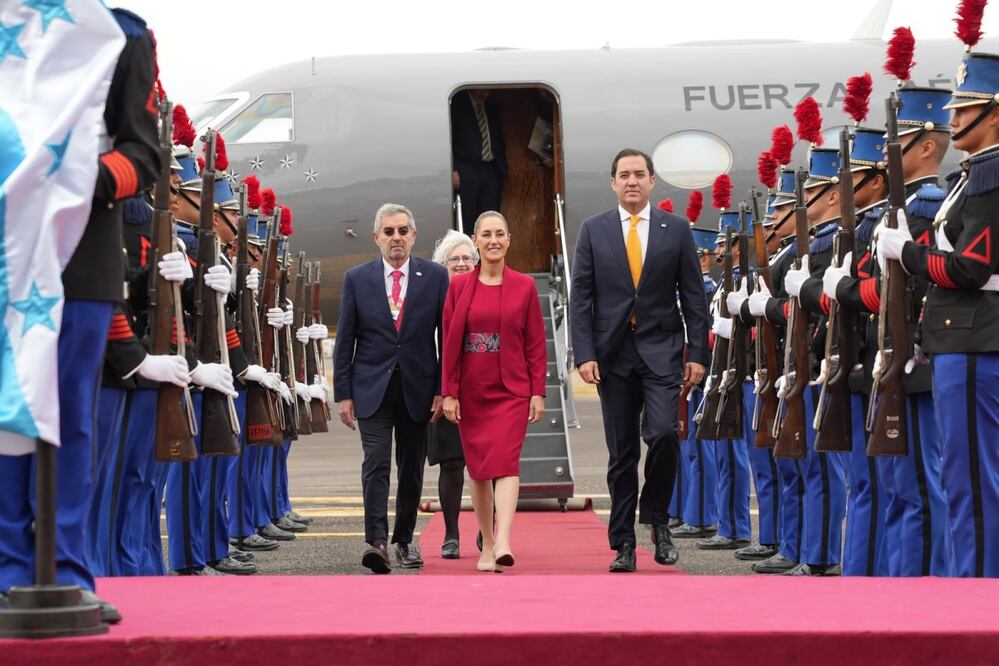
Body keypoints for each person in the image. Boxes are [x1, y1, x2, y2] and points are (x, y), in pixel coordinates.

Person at [878, 48, 999, 578]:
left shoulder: (991, 174)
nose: (954, 119)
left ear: (994, 112)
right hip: (957, 340)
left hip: (975, 339)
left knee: (972, 480)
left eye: (965, 109)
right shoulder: (972, 177)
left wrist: (906, 252)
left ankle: (978, 592)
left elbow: (972, 268)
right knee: (961, 479)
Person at [570, 149, 710, 573]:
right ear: (613, 183)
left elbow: (693, 295)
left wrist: (697, 353)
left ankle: (657, 520)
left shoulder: (676, 229)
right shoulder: (593, 230)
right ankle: (623, 543)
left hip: (662, 349)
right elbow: (582, 297)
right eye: (624, 175)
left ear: (651, 181)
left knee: (665, 433)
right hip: (613, 354)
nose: (631, 181)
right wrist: (585, 353)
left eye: (639, 174)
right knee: (623, 452)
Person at [334, 204, 449, 573]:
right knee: (376, 463)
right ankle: (377, 542)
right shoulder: (357, 278)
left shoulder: (435, 277)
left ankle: (403, 539)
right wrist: (343, 394)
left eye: (402, 231)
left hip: (419, 388)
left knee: (411, 468)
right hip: (372, 388)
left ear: (413, 235)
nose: (396, 238)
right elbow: (345, 340)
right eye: (389, 231)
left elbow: (446, 338)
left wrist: (443, 388)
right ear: (376, 237)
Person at [441, 212, 547, 572]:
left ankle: (504, 539)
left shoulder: (524, 286)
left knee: (506, 464)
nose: (493, 241)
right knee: (479, 470)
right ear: (476, 240)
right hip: (472, 391)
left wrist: (537, 391)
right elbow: (450, 344)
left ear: (509, 240)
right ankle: (487, 544)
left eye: (500, 234)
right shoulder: (458, 287)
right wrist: (449, 392)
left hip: (511, 391)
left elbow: (535, 343)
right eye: (486, 235)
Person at [429, 230, 478, 559]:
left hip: (482, 391)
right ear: (442, 265)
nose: (461, 263)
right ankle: (451, 534)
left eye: (467, 258)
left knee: (488, 467)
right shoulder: (433, 298)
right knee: (451, 463)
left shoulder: (487, 291)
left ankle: (487, 532)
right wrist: (439, 391)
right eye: (454, 259)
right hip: (445, 391)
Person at [451, 89, 507, 236]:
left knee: (490, 219)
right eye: (481, 90)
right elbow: (449, 139)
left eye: (487, 90)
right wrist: (453, 168)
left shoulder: (490, 104)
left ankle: (487, 250)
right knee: (468, 220)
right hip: (465, 170)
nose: (484, 93)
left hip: (491, 169)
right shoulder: (457, 103)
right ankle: (469, 250)